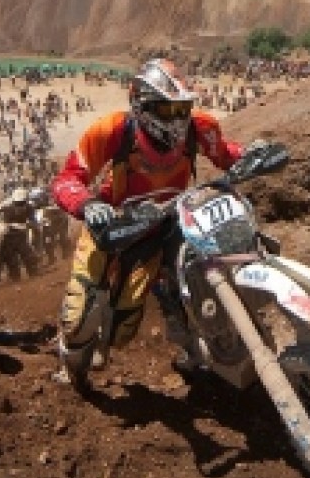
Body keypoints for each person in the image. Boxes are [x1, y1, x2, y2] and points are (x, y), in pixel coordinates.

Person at [50, 58, 247, 389]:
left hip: (162, 226)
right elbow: (69, 177)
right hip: (111, 228)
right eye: (167, 110)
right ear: (142, 105)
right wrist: (87, 204)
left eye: (182, 109)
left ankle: (198, 347)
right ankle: (72, 368)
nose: (177, 119)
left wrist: (251, 155)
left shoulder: (200, 127)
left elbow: (225, 154)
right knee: (80, 315)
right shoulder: (113, 130)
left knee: (125, 322)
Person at [0, 187, 39, 280]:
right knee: (11, 259)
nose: (19, 205)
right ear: (14, 200)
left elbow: (33, 221)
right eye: (17, 203)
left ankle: (33, 274)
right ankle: (14, 278)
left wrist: (29, 225)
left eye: (21, 203)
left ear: (26, 201)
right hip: (7, 235)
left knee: (27, 254)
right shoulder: (7, 205)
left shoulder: (30, 208)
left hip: (20, 234)